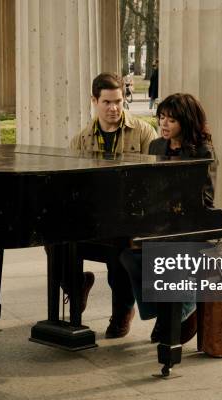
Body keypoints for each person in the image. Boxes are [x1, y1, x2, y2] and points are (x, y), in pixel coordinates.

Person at [120, 92, 217, 344]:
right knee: (128, 255)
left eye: (171, 120)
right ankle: (164, 313)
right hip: (160, 224)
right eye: (161, 117)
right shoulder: (156, 146)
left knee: (164, 257)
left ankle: (182, 312)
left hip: (192, 227)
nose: (163, 124)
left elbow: (205, 199)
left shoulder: (203, 151)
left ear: (186, 122)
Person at [69, 72, 157, 338]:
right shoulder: (81, 140)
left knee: (120, 248)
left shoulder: (143, 132)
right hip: (93, 220)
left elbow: (156, 180)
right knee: (54, 244)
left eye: (118, 101)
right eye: (107, 102)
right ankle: (76, 285)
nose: (114, 108)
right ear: (94, 101)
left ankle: (121, 313)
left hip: (130, 219)